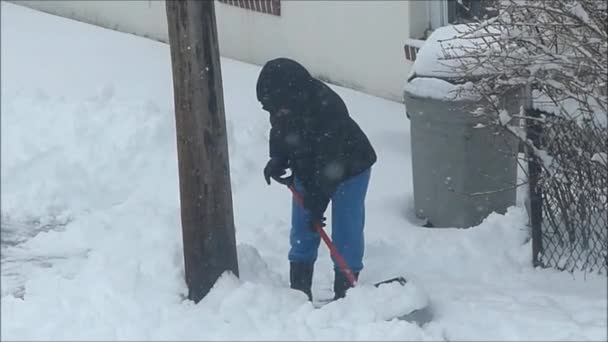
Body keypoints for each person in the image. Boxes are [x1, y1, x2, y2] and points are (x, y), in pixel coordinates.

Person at [256, 58, 377, 301]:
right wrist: (278, 159)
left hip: (349, 168)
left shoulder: (327, 108)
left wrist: (315, 201)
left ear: (292, 95)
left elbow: (332, 162)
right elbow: (280, 132)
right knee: (302, 229)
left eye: (277, 107)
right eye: (270, 108)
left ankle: (347, 294)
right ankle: (299, 292)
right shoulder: (282, 105)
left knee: (346, 231)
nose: (274, 113)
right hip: (310, 168)